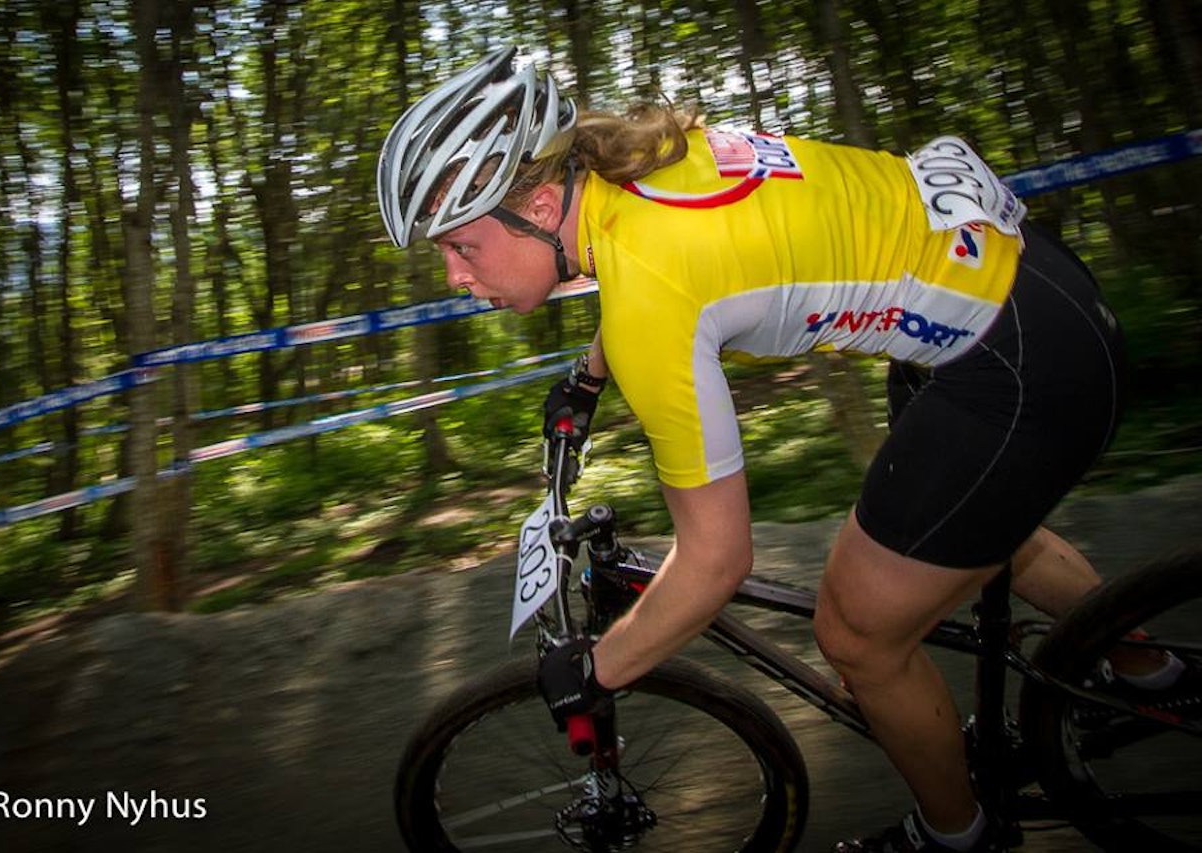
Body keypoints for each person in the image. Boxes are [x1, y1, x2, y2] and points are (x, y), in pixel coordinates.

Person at [376, 47, 1170, 852]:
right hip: (1030, 291)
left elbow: (715, 563)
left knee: (857, 634)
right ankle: (1144, 672)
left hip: (1018, 365)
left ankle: (957, 834)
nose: (452, 275)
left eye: (460, 246)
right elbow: (678, 267)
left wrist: (598, 669)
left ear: (542, 207)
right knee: (981, 524)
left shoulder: (651, 295)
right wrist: (587, 377)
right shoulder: (634, 168)